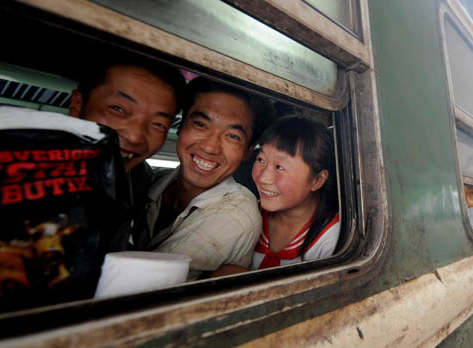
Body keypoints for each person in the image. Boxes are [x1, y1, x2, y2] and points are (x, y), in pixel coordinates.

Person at [133, 77, 275, 280]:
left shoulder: (235, 215)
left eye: (232, 136)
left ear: (247, 151)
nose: (210, 147)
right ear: (181, 128)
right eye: (200, 124)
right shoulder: (151, 180)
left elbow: (142, 286)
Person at [68, 58, 186, 203]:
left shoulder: (140, 181)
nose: (135, 137)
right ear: (77, 104)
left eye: (158, 124)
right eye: (118, 109)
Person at [249, 116, 340, 270]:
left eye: (280, 167)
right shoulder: (246, 214)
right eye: (260, 159)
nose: (263, 178)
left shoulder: (333, 237)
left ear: (317, 180)